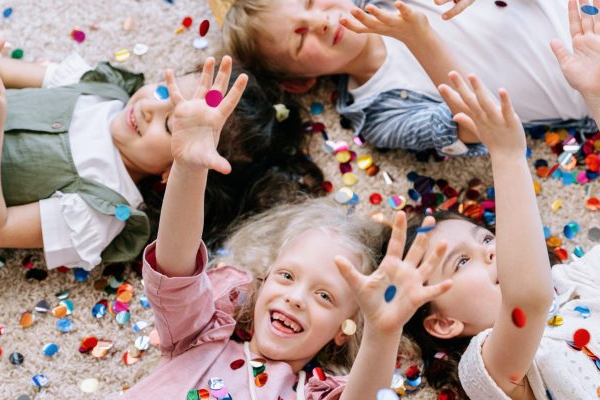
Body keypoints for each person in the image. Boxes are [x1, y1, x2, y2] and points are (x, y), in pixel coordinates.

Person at [401, 1, 600, 398]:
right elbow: (527, 302)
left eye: (485, 238)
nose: (491, 250)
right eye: (461, 261)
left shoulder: (585, 283)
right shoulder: (483, 367)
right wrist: (506, 155)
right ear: (443, 323)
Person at [120, 57, 453, 399]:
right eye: (287, 277)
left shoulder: (314, 393)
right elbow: (175, 263)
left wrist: (384, 331)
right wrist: (188, 167)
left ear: (344, 329)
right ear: (261, 284)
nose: (295, 298)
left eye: (324, 296)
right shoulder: (201, 333)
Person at [0, 38, 321, 270]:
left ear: (175, 174)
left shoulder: (100, 208)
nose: (148, 110)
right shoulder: (103, 89)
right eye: (164, 94)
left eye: (171, 125)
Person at [222, 0, 600, 156]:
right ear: (297, 83)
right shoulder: (380, 111)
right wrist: (418, 37)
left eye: (314, 2)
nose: (323, 22)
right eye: (300, 37)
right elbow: (480, 129)